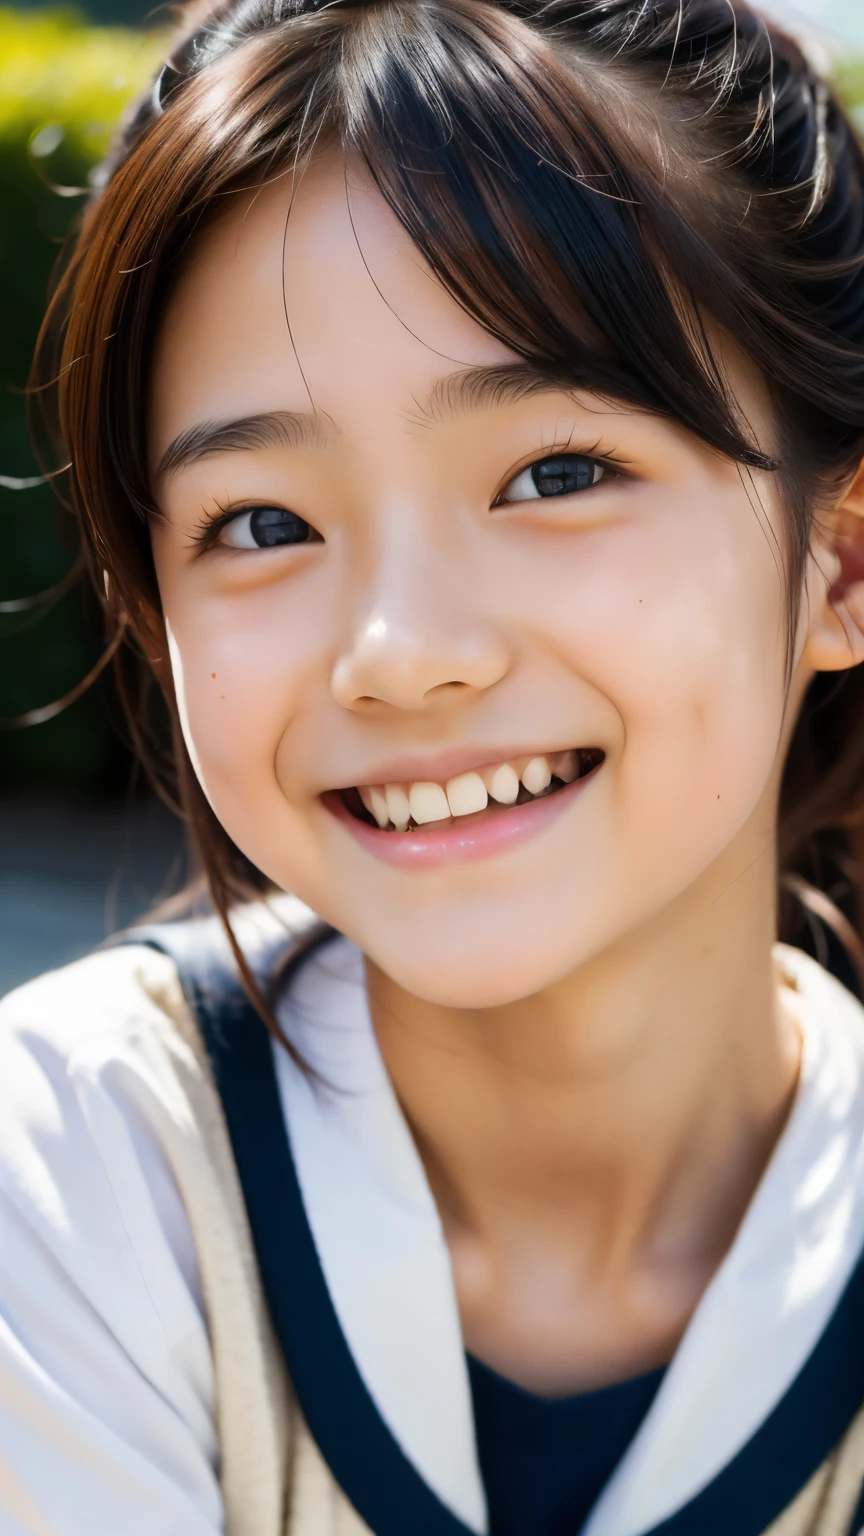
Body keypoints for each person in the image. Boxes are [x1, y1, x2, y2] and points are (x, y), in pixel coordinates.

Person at [4, 0, 864, 1531]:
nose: (400, 651)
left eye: (557, 473)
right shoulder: (72, 1178)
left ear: (842, 560)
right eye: (261, 522)